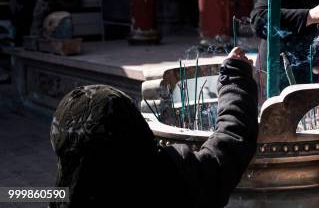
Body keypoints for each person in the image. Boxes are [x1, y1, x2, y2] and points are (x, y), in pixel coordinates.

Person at [49, 47, 258, 208]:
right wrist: (235, 78)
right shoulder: (164, 182)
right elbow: (230, 143)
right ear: (132, 130)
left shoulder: (65, 193)